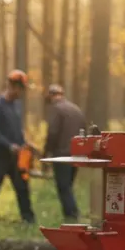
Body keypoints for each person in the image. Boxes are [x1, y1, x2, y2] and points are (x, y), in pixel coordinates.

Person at [0, 70, 36, 223]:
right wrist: (9, 145)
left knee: (23, 189)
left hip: (16, 157)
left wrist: (25, 143)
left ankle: (29, 220)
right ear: (13, 86)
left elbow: (17, 129)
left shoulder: (17, 105)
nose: (21, 93)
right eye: (21, 89)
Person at [42, 84, 87, 221]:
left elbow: (53, 133)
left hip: (62, 155)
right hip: (77, 154)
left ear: (51, 95)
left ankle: (72, 216)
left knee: (64, 187)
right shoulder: (76, 109)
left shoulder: (56, 109)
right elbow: (84, 130)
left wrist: (46, 153)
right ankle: (73, 215)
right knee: (68, 186)